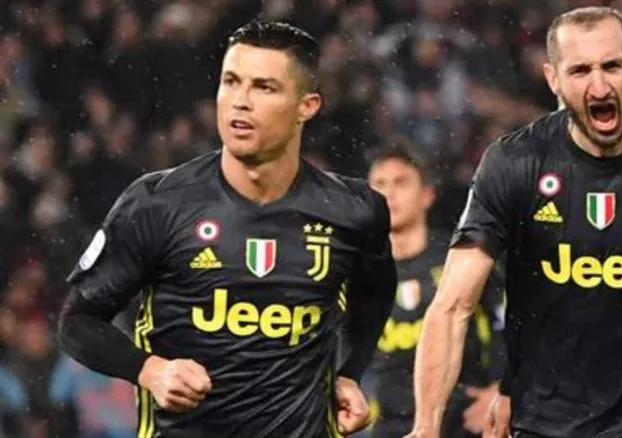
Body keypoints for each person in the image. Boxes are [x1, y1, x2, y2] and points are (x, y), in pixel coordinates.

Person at [405, 6, 622, 438]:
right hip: (548, 418)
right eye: (579, 70)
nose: (599, 86)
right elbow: (451, 307)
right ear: (552, 78)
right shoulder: (514, 162)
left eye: (612, 66)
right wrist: (425, 427)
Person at [57, 19, 397, 438]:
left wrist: (348, 373)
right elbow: (77, 321)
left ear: (307, 106)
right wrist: (150, 370)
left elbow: (375, 297)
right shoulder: (157, 203)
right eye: (231, 82)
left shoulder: (354, 212)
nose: (240, 102)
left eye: (264, 87)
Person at [365, 145, 506, 438]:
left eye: (401, 182)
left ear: (427, 194)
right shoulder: (357, 271)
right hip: (387, 425)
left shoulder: (462, 257)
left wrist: (502, 389)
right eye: (379, 184)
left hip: (463, 422)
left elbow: (509, 325)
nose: (388, 194)